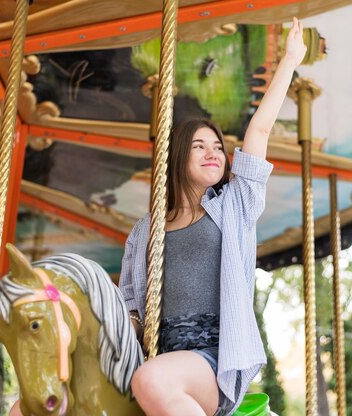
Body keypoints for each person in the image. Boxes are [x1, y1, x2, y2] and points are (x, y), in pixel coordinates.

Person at [119, 17, 307, 416]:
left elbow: (259, 130)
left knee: (151, 380)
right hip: (161, 355)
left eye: (218, 147)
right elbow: (131, 311)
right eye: (199, 146)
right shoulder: (144, 232)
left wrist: (289, 61)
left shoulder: (234, 206)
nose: (213, 153)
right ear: (177, 157)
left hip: (213, 361)